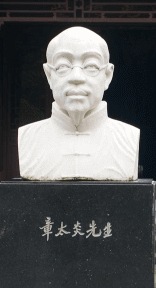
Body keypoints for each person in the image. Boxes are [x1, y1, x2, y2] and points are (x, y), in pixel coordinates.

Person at [17, 26, 139, 180]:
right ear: (49, 75)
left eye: (91, 66)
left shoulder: (127, 137)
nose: (76, 77)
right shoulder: (29, 137)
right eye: (63, 66)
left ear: (107, 76)